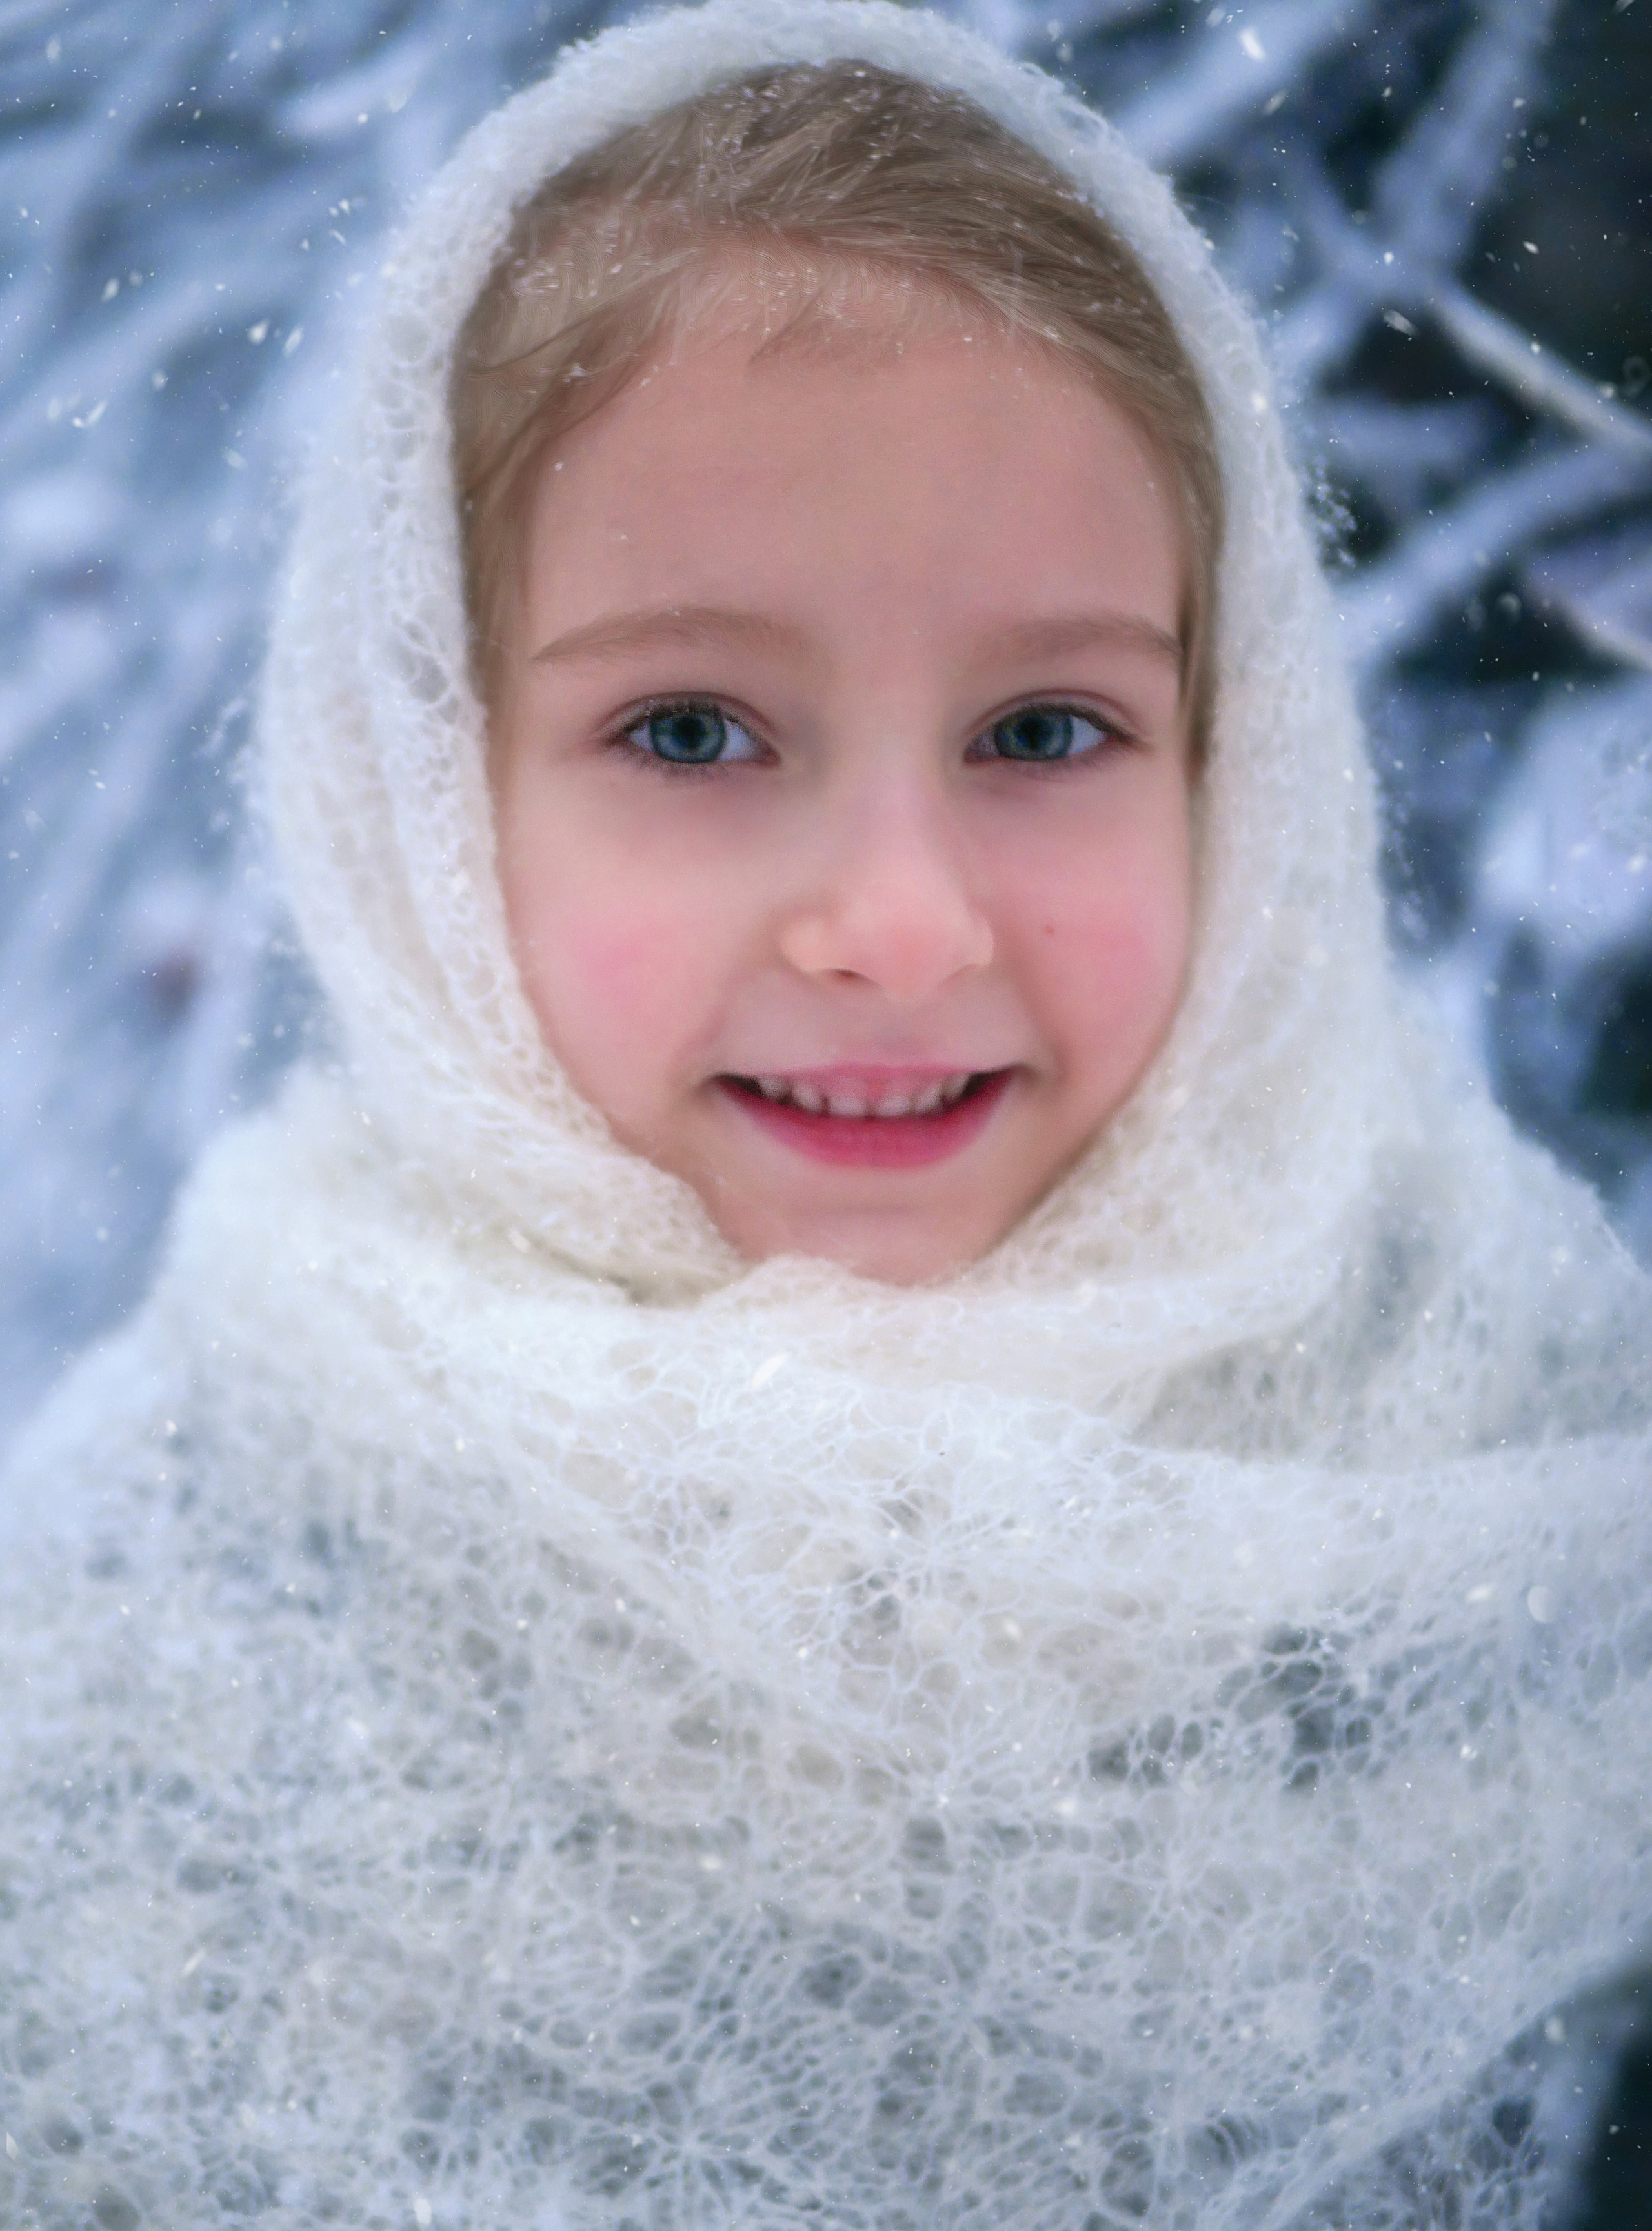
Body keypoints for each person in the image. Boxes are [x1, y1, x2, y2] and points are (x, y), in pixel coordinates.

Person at [2, 3, 1647, 2225]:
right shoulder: (116, 1707)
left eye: (1048, 731)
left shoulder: (1550, 1546)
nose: (895, 920)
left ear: (1238, 767)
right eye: (691, 731)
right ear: (421, 795)